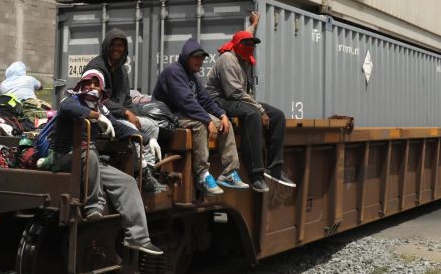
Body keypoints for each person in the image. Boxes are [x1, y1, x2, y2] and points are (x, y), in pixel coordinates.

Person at [45, 69, 162, 256]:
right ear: (81, 85)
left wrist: (147, 139)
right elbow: (67, 109)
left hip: (89, 159)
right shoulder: (71, 100)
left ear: (101, 88)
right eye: (87, 83)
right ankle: (94, 206)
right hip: (65, 157)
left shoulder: (102, 107)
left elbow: (119, 127)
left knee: (127, 182)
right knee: (90, 153)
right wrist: (96, 117)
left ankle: (138, 237)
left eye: (95, 83)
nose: (91, 87)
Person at [206, 14, 293, 194]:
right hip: (219, 100)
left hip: (236, 97)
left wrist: (254, 25)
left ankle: (275, 168)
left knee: (277, 115)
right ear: (238, 46)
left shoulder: (242, 54)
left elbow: (246, 36)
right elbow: (234, 93)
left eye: (253, 45)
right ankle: (255, 175)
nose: (251, 47)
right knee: (252, 114)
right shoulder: (228, 60)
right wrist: (260, 110)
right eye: (247, 45)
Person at [152, 38, 245, 196]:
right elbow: (185, 102)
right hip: (167, 116)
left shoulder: (193, 76)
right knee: (199, 125)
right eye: (196, 58)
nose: (200, 61)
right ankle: (202, 175)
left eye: (202, 58)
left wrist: (221, 114)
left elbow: (205, 100)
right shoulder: (174, 72)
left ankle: (229, 172)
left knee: (225, 123)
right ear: (186, 56)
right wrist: (207, 120)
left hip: (184, 113)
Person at [85, 29, 167, 194]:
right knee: (135, 133)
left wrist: (133, 114)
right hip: (102, 118)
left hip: (119, 114)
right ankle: (140, 171)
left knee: (150, 126)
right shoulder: (97, 67)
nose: (117, 48)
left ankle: (148, 172)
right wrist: (126, 114)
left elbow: (126, 98)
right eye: (113, 45)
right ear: (107, 47)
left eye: (120, 45)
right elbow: (99, 99)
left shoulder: (121, 69)